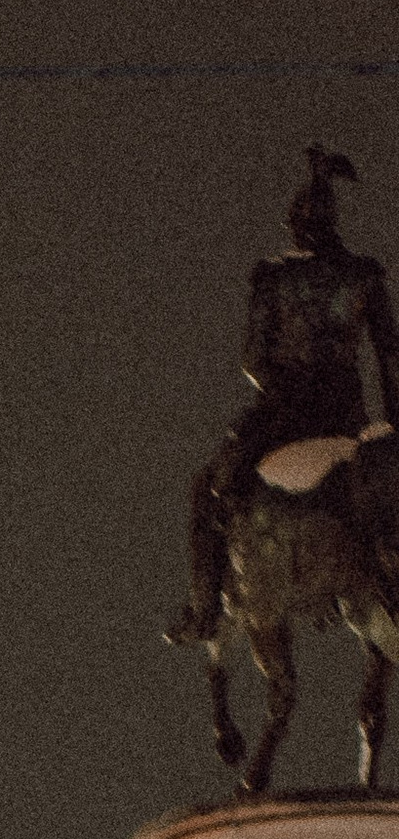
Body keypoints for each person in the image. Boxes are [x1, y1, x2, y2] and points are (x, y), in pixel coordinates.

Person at [175, 146, 399, 643]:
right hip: (347, 414)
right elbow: (389, 359)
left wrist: (281, 391)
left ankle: (204, 609)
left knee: (210, 488)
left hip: (284, 414)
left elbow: (253, 359)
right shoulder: (366, 275)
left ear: (296, 228)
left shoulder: (274, 277)